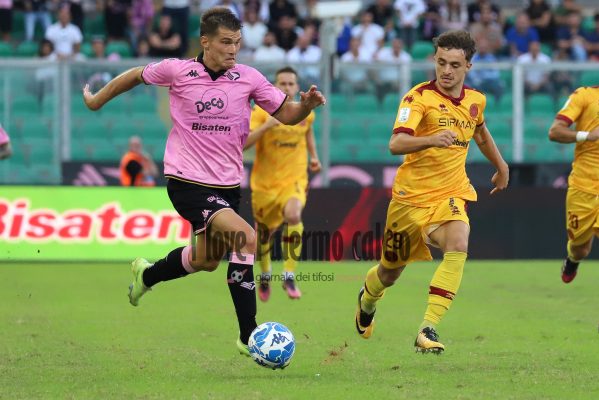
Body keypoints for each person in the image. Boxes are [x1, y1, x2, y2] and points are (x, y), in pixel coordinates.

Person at [82, 7, 325, 356]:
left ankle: (146, 276)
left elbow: (287, 114)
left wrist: (305, 107)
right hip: (186, 180)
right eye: (226, 42)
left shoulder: (249, 78)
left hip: (227, 185)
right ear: (205, 42)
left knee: (206, 260)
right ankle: (249, 335)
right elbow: (135, 75)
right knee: (246, 238)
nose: (233, 49)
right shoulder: (178, 71)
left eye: (237, 42)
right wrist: (96, 101)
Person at [354, 30, 509, 353]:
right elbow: (396, 143)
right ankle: (368, 299)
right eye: (441, 62)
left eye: (454, 64)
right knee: (389, 272)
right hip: (409, 200)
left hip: (450, 193)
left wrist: (500, 165)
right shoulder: (418, 98)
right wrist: (431, 139)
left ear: (468, 66)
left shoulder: (476, 100)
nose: (446, 71)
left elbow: (480, 133)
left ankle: (428, 328)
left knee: (458, 242)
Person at [243, 66, 321, 302]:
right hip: (265, 184)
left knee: (293, 214)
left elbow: (308, 132)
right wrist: (267, 126)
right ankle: (266, 274)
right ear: (275, 87)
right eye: (282, 83)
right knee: (264, 234)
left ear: (296, 87)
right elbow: (244, 143)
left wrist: (314, 156)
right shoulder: (260, 112)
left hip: (294, 178)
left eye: (290, 84)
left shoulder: (305, 111)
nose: (287, 87)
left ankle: (288, 274)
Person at [548, 86, 599, 287]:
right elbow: (555, 132)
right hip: (583, 186)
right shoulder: (585, 95)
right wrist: (587, 135)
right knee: (580, 249)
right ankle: (573, 260)